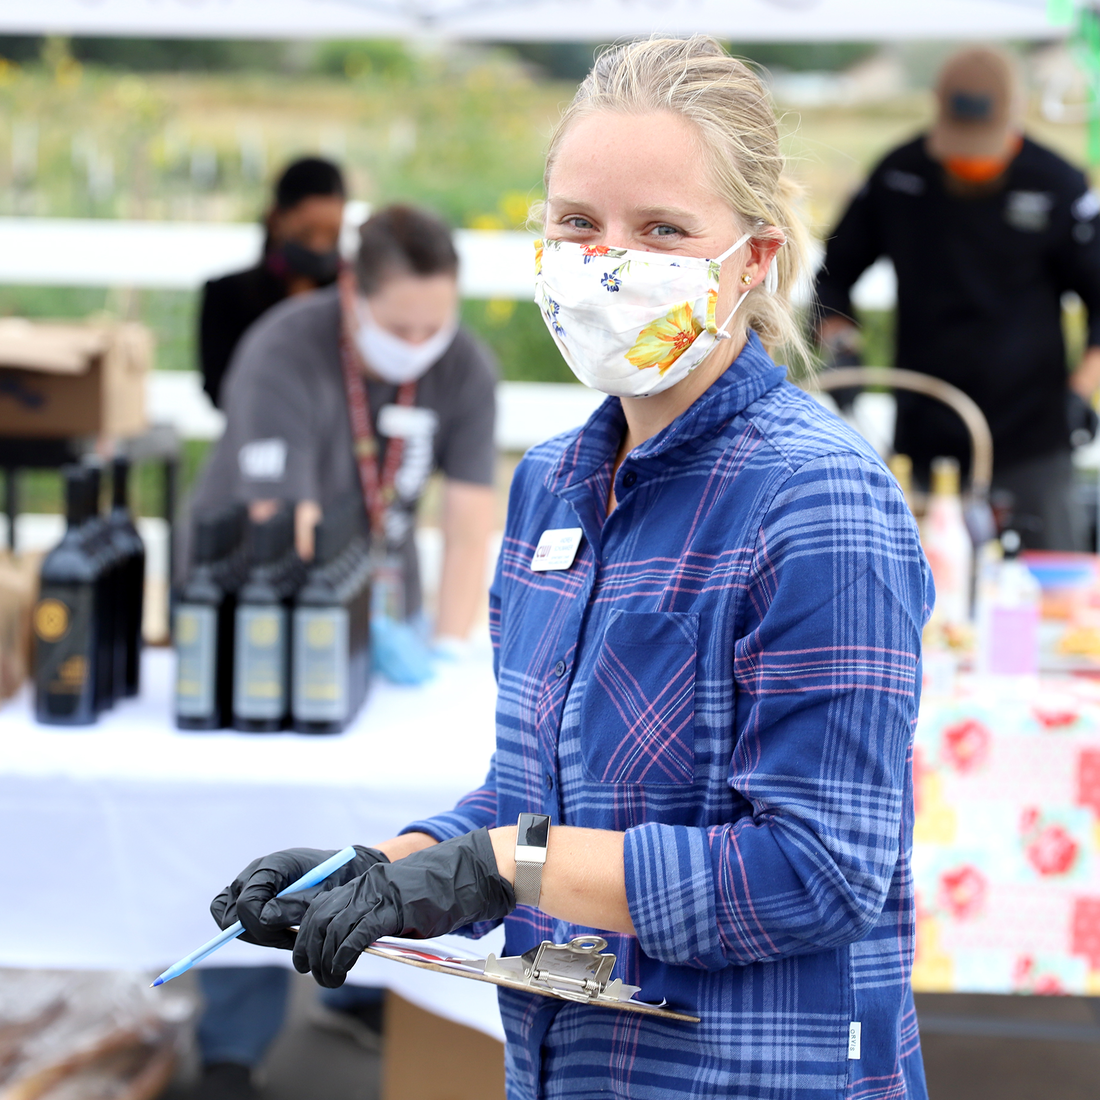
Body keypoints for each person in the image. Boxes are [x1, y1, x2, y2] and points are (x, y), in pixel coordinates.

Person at [207, 37, 932, 1100]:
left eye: (661, 230)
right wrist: (383, 869)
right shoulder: (551, 484)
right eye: (576, 223)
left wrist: (504, 863)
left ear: (755, 262)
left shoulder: (816, 500)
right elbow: (533, 799)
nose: (608, 260)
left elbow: (815, 871)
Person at [185, 204, 498, 1100]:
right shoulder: (286, 346)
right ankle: (234, 1045)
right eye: (401, 326)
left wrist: (444, 643)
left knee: (394, 806)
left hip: (376, 615)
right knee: (265, 813)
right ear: (354, 291)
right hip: (271, 603)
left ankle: (369, 986)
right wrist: (342, 618)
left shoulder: (462, 363)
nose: (421, 341)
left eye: (437, 322)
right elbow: (280, 522)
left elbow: (471, 513)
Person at [815, 46, 1100, 550]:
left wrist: (1082, 392)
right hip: (923, 435)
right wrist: (841, 345)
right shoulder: (899, 177)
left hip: (1031, 440)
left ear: (1016, 114)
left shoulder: (1058, 185)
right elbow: (831, 278)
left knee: (1050, 599)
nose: (970, 160)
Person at [199, 156, 346, 407]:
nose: (319, 247)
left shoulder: (353, 297)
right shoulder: (228, 295)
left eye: (331, 234)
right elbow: (219, 389)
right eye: (307, 233)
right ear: (276, 219)